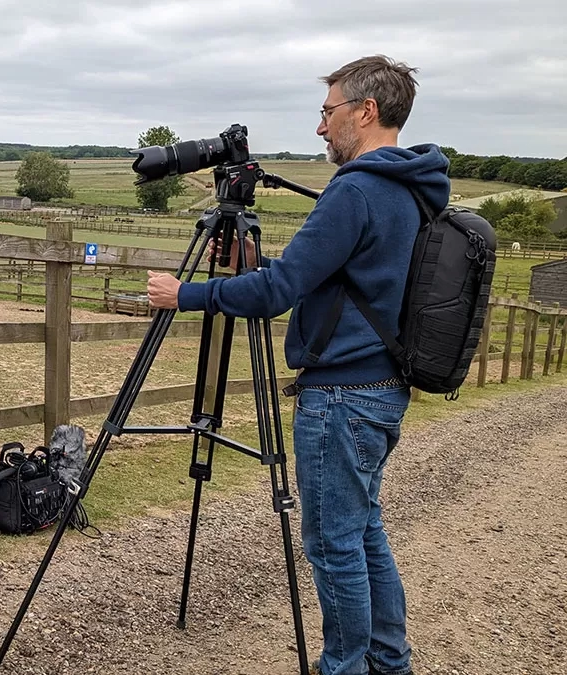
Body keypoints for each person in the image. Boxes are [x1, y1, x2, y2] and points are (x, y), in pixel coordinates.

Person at [147, 55, 451, 675]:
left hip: (341, 395)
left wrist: (186, 295)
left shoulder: (358, 188)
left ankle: (344, 667)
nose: (321, 128)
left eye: (328, 111)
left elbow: (275, 293)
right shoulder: (412, 189)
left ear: (364, 112)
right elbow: (337, 276)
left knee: (334, 546)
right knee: (363, 533)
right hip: (383, 387)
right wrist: (259, 260)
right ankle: (390, 663)